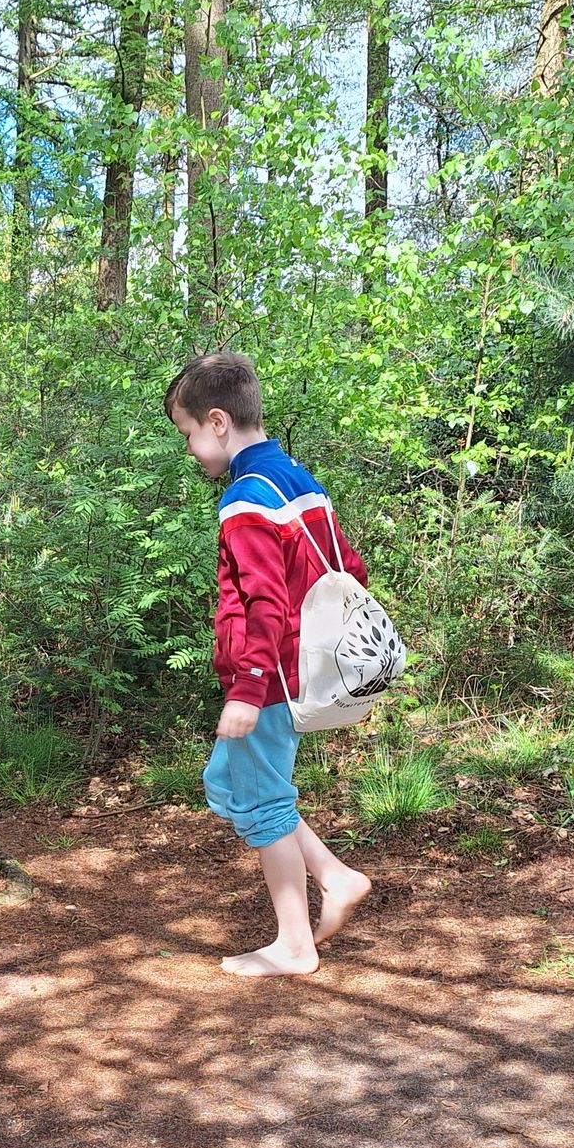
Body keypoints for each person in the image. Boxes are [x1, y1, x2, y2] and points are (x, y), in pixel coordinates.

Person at [165, 350, 373, 977]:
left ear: (219, 422)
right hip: (297, 667)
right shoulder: (298, 480)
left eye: (189, 434)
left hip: (270, 677)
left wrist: (247, 690)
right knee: (229, 786)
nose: (192, 449)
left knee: (262, 801)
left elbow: (264, 600)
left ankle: (293, 944)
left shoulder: (246, 498)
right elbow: (350, 572)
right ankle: (334, 875)